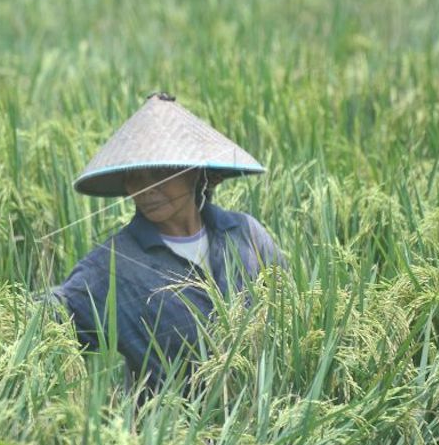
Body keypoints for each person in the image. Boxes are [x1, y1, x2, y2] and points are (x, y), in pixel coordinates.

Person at [51, 92, 287, 397]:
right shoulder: (115, 264)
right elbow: (55, 315)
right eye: (135, 178)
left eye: (160, 173)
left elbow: (290, 313)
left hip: (263, 413)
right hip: (173, 423)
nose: (147, 189)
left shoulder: (245, 233)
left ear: (194, 172)